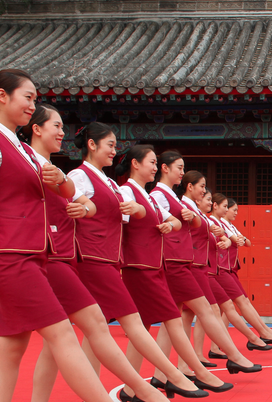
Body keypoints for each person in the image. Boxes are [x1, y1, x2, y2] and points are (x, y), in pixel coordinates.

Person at [0, 70, 113, 402]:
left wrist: (60, 177)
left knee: (10, 352)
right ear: (3, 96)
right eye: (28, 98)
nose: (33, 106)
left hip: (32, 256)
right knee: (63, 336)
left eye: (35, 99)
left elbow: (67, 191)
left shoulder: (23, 149)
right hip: (11, 258)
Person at [22, 105, 169, 402]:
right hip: (78, 259)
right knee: (120, 325)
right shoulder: (67, 171)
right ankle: (162, 384)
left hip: (79, 259)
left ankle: (150, 386)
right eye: (111, 145)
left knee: (61, 341)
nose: (62, 132)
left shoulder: (105, 182)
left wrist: (88, 208)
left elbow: (86, 205)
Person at [67, 124, 206, 401]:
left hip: (111, 261)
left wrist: (150, 214)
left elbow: (134, 215)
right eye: (110, 144)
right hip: (96, 260)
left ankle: (118, 389)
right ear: (92, 145)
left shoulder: (108, 182)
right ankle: (171, 378)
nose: (114, 150)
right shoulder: (79, 176)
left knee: (86, 334)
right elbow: (81, 208)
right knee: (127, 324)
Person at [115, 146, 236, 398]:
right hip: (144, 266)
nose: (155, 166)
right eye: (152, 162)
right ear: (136, 164)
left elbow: (170, 221)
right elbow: (122, 219)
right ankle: (185, 374)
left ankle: (141, 385)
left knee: (144, 326)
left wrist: (171, 221)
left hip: (154, 264)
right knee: (171, 318)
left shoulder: (149, 194)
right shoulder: (132, 191)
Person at [147, 168, 261, 391]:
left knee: (177, 319)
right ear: (190, 187)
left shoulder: (186, 206)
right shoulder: (170, 199)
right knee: (207, 310)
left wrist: (227, 239)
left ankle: (166, 373)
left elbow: (214, 231)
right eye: (203, 189)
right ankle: (234, 354)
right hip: (181, 264)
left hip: (191, 265)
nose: (206, 195)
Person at [192, 192, 272, 363]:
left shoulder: (214, 222)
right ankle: (253, 337)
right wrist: (230, 240)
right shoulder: (207, 220)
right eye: (227, 207)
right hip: (211, 270)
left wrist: (229, 240)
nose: (232, 211)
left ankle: (208, 352)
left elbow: (242, 241)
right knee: (220, 308)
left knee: (213, 311)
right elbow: (232, 239)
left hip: (215, 269)